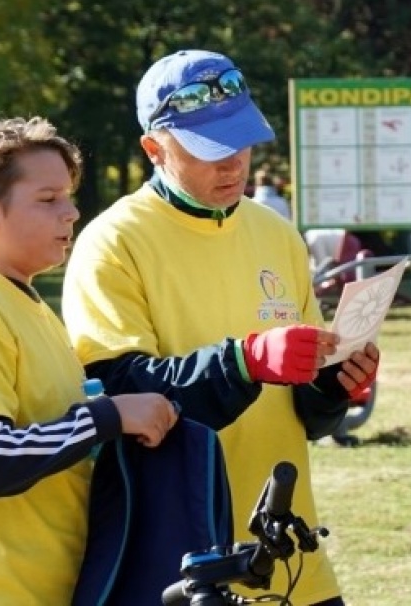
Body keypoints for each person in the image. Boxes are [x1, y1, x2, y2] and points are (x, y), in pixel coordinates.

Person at [61, 49, 378, 606]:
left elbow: (302, 413)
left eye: (242, 141)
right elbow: (123, 392)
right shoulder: (113, 243)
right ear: (154, 149)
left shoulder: (277, 234)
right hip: (184, 559)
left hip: (290, 550)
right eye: (209, 149)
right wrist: (245, 362)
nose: (233, 164)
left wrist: (332, 387)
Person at [0, 116, 179, 605]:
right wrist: (109, 417)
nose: (71, 213)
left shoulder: (28, 308)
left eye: (68, 196)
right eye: (48, 200)